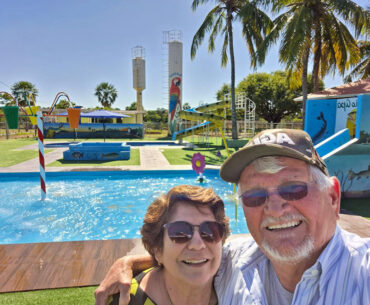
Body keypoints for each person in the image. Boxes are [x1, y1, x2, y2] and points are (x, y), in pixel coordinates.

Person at [95, 129, 370, 305]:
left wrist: (129, 261)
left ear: (333, 197)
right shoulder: (233, 262)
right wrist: (128, 263)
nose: (274, 208)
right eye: (254, 195)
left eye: (294, 189)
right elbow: (192, 256)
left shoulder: (363, 274)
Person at [107, 184, 230, 305]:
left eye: (210, 230)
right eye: (180, 233)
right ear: (158, 249)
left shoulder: (236, 284)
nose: (198, 244)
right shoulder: (127, 300)